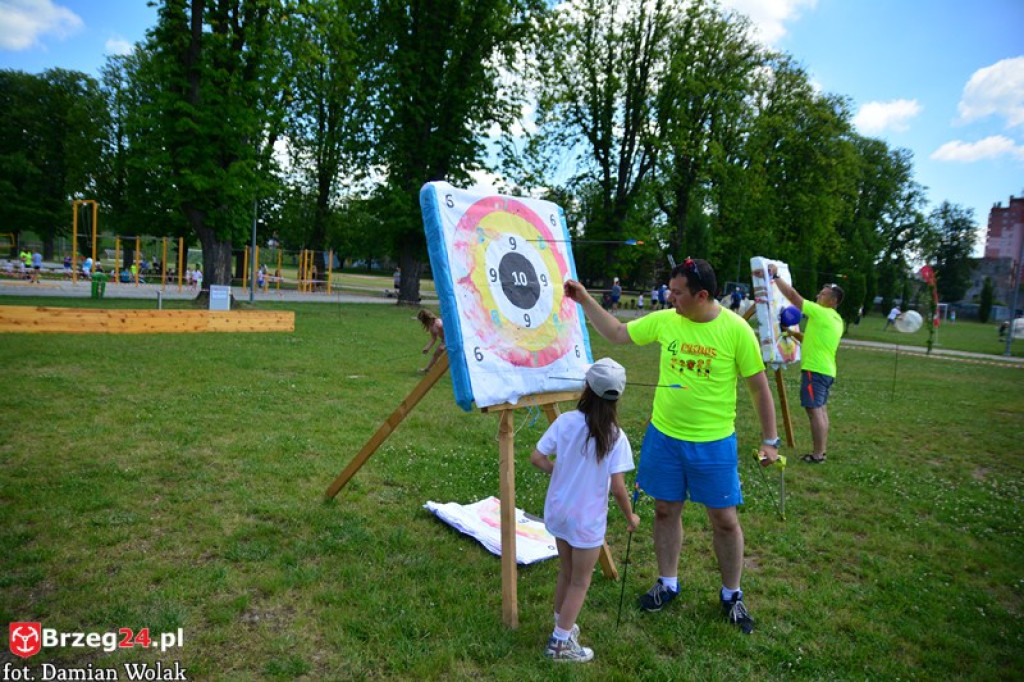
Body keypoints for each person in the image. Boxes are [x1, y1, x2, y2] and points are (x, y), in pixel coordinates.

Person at [563, 257, 780, 635]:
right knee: (665, 511)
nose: (669, 296)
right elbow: (616, 332)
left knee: (725, 521)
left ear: (703, 295)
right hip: (664, 438)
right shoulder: (667, 320)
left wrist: (770, 441)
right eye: (670, 289)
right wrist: (584, 300)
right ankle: (668, 583)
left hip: (714, 444)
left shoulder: (735, 330)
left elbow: (759, 387)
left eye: (677, 292)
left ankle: (732, 594)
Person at [530, 358, 639, 663]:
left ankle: (561, 624)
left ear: (586, 388)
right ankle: (560, 644)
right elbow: (618, 488)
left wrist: (558, 471)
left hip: (559, 512)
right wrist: (631, 517)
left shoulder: (565, 421)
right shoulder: (616, 436)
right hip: (586, 521)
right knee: (580, 580)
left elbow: (537, 457)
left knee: (567, 571)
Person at [761, 264, 843, 464]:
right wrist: (791, 333)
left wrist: (776, 276)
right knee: (821, 411)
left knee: (814, 412)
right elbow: (811, 339)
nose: (818, 296)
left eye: (822, 294)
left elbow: (793, 296)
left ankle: (817, 455)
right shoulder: (836, 319)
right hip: (827, 370)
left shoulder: (821, 312)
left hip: (814, 370)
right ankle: (821, 452)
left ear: (832, 301)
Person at [416, 309, 446, 373]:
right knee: (436, 354)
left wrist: (444, 345)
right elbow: (434, 338)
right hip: (444, 340)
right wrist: (427, 348)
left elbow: (449, 334)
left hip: (451, 339)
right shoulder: (431, 326)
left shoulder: (439, 324)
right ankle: (427, 369)